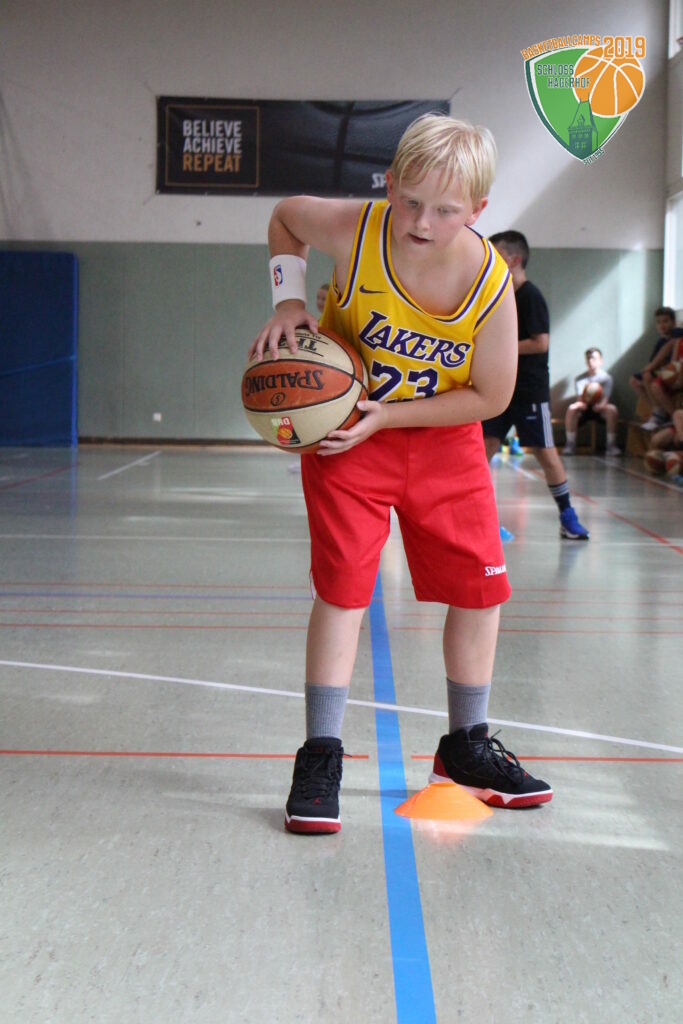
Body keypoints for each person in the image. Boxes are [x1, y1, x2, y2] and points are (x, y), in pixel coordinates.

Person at [249, 113, 552, 834]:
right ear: (388, 184)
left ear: (477, 209)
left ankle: (465, 749)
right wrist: (289, 299)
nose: (421, 222)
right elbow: (285, 217)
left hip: (442, 439)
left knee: (480, 591)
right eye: (409, 201)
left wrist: (390, 416)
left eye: (445, 210)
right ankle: (320, 753)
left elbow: (491, 396)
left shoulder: (489, 282)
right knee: (343, 592)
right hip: (348, 441)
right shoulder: (356, 230)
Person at [482, 231, 590, 540]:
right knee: (482, 452)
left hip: (529, 390)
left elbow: (540, 343)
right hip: (498, 389)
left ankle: (567, 516)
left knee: (545, 453)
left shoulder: (530, 295)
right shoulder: (499, 296)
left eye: (496, 253)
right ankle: (483, 522)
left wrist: (500, 348)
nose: (489, 259)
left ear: (514, 259)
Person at [630, 307, 683, 429]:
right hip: (665, 371)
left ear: (673, 322)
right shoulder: (660, 341)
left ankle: (669, 416)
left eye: (665, 321)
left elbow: (665, 353)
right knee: (634, 381)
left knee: (648, 376)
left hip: (675, 371)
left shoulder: (678, 333)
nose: (662, 325)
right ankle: (658, 411)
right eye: (659, 322)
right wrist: (649, 368)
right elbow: (652, 362)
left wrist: (651, 367)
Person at [563, 347, 621, 456]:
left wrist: (600, 406)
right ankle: (570, 445)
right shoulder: (580, 379)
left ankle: (611, 446)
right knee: (571, 408)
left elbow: (605, 399)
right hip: (585, 410)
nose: (590, 361)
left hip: (600, 410)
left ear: (600, 361)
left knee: (612, 409)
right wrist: (582, 404)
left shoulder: (607, 378)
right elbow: (580, 399)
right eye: (588, 358)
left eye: (594, 358)